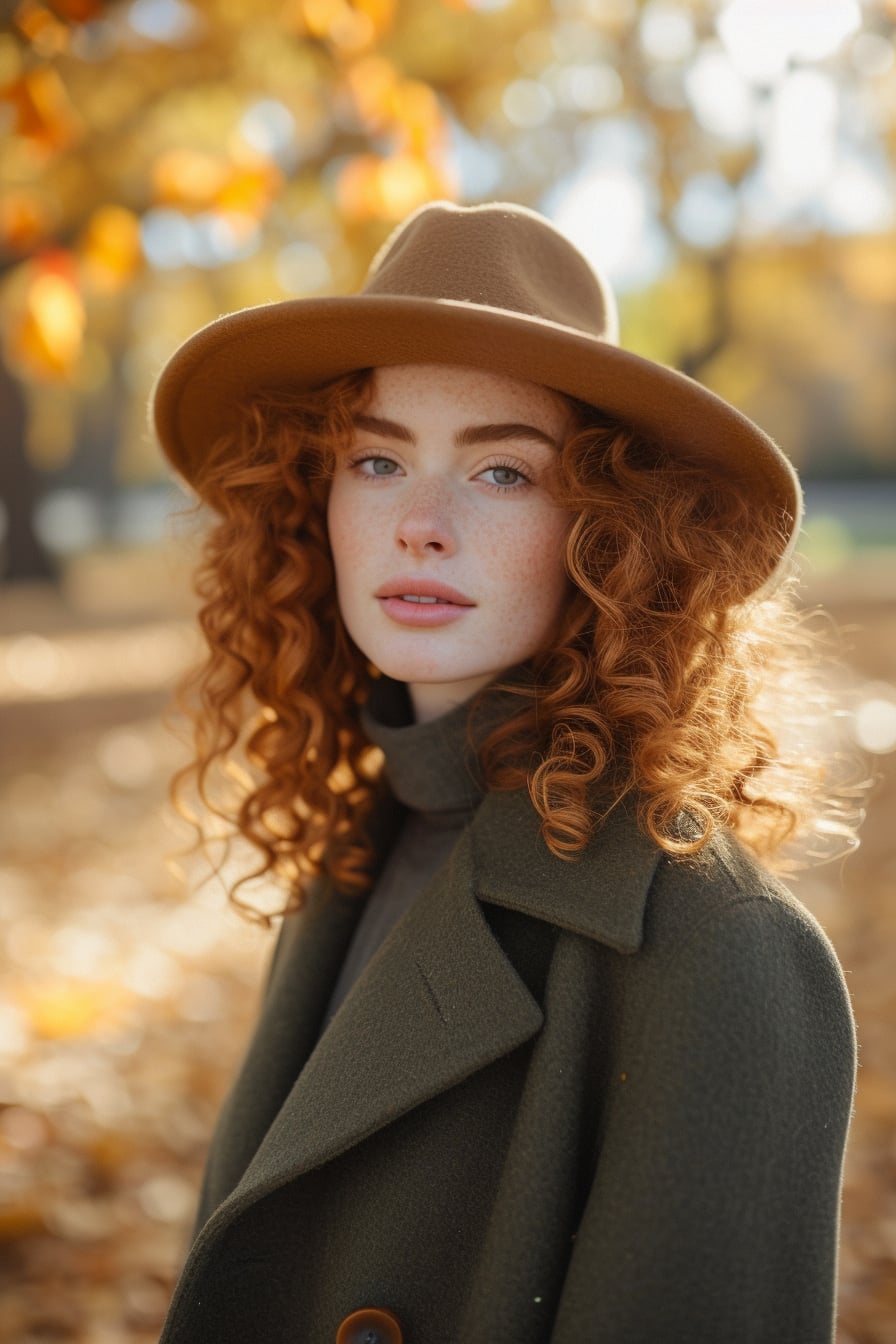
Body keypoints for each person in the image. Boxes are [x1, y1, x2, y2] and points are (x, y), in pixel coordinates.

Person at [150, 201, 858, 1344]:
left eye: (501, 475)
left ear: (611, 532)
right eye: (377, 459)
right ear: (312, 506)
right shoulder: (354, 851)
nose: (419, 524)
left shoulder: (716, 949)